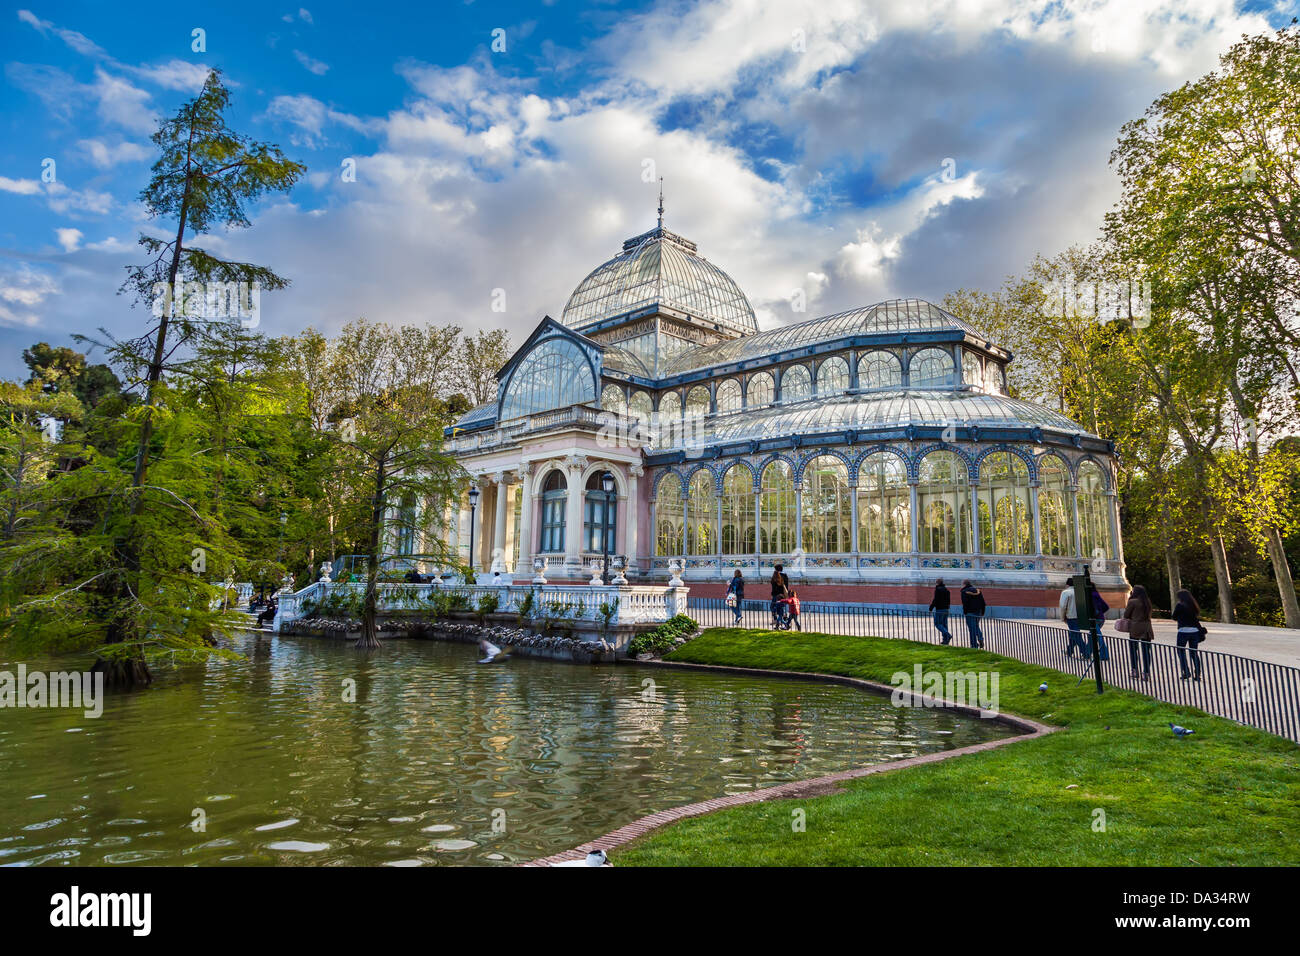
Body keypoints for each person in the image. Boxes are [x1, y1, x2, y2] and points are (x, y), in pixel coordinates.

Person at [1122, 584, 1155, 680]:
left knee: (1133, 650)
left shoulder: (1132, 602)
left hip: (1135, 627)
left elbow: (1126, 615)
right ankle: (1146, 672)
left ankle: (1134, 670)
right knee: (1146, 652)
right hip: (1147, 628)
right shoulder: (1147, 602)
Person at [1172, 589, 1205, 681]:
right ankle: (1198, 674)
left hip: (1183, 631)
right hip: (1194, 631)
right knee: (1194, 653)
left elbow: (1174, 617)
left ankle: (1186, 671)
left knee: (1180, 651)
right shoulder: (1193, 606)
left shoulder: (1179, 605)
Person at [1058, 577, 1089, 658]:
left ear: (1067, 584)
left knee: (1076, 634)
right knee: (1073, 634)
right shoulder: (1080, 592)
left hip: (1071, 616)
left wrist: (1062, 617)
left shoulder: (1066, 592)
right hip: (1080, 616)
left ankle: (1085, 652)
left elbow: (1062, 606)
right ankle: (1069, 650)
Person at [1086, 583, 1110, 661]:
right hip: (1101, 619)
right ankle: (1087, 653)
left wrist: (1096, 613)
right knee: (1092, 636)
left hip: (1095, 619)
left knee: (1097, 637)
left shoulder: (1091, 596)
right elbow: (1106, 606)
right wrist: (1100, 612)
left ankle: (1104, 655)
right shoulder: (1097, 594)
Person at [959, 580, 986, 648]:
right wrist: (983, 612)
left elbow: (965, 603)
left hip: (970, 612)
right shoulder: (978, 591)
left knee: (972, 629)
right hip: (978, 612)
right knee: (976, 626)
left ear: (964, 584)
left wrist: (965, 612)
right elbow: (983, 602)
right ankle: (980, 638)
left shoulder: (964, 592)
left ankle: (974, 645)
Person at [928, 579, 952, 644]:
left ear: (937, 583)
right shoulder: (946, 590)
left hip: (939, 609)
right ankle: (945, 640)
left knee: (937, 623)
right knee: (944, 625)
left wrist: (931, 608)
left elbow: (935, 599)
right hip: (946, 609)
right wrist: (948, 606)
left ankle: (948, 635)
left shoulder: (938, 590)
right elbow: (949, 600)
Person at [770, 563, 790, 628]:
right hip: (783, 594)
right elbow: (786, 586)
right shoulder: (785, 576)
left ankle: (776, 619)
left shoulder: (775, 576)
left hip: (776, 594)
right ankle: (784, 618)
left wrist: (773, 593)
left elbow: (774, 587)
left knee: (773, 607)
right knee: (782, 607)